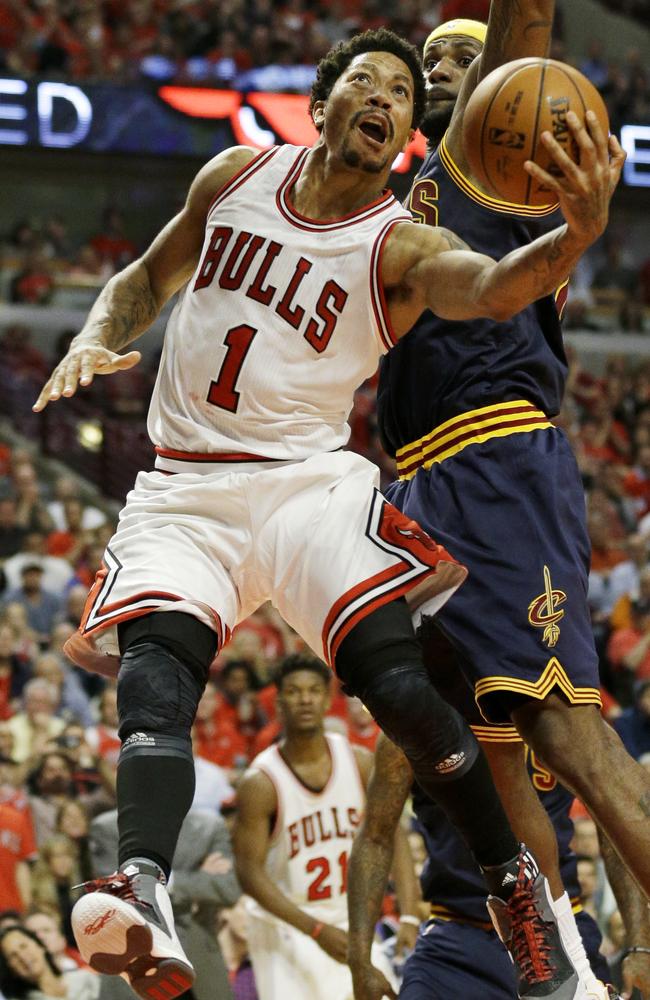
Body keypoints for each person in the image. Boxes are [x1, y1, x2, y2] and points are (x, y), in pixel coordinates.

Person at [32, 26, 623, 1000]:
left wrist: (573, 239)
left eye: (400, 89)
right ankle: (139, 887)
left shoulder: (398, 239)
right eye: (365, 80)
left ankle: (512, 890)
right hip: (186, 483)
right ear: (322, 104)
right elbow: (145, 276)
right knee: (155, 669)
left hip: (307, 482)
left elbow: (487, 288)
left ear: (403, 132)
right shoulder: (232, 175)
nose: (385, 95)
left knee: (396, 684)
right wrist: (95, 336)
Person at [370, 5, 650, 995]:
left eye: (467, 54)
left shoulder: (491, 150)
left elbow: (522, 17)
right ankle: (562, 968)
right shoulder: (402, 199)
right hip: (415, 478)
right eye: (435, 57)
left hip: (492, 451)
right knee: (486, 737)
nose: (452, 66)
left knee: (569, 731)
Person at [346, 639, 617, 1000]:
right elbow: (376, 836)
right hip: (458, 937)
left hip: (556, 927)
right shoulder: (413, 724)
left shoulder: (562, 715)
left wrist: (640, 944)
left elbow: (613, 825)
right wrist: (358, 958)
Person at [232, 654, 406, 1000]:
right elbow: (249, 874)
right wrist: (313, 929)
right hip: (287, 924)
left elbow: (394, 837)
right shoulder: (260, 782)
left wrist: (412, 914)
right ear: (279, 702)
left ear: (328, 700)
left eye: (314, 691)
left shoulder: (359, 762)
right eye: (294, 692)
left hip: (352, 915)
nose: (305, 699)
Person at [89, 805, 240, 1000]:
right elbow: (117, 890)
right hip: (136, 962)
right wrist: (197, 879)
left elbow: (229, 889)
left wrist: (157, 880)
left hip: (199, 959)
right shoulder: (107, 828)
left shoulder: (210, 826)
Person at [0, 925, 99, 1000]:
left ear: (40, 945)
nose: (22, 957)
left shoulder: (83, 978)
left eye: (23, 946)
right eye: (13, 956)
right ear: (10, 968)